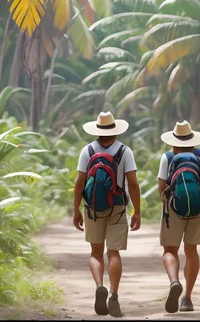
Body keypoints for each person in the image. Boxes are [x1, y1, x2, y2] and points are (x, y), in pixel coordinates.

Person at [72, 111, 142, 317]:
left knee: (96, 252)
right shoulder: (124, 151)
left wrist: (76, 210)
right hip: (118, 208)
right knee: (113, 253)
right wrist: (137, 211)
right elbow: (134, 184)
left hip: (93, 208)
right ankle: (113, 294)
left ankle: (99, 286)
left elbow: (79, 185)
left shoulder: (88, 151)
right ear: (115, 129)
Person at [157, 121, 200, 313]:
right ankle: (187, 298)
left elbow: (161, 189)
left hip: (173, 209)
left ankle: (174, 282)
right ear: (193, 139)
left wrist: (170, 207)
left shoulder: (168, 157)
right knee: (191, 250)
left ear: (174, 140)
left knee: (169, 250)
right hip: (197, 209)